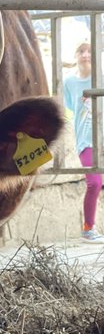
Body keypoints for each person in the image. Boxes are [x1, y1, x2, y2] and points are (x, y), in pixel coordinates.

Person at [63, 41, 104, 243]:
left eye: (90, 50)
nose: (86, 54)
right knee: (95, 183)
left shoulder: (102, 77)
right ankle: (88, 229)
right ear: (75, 55)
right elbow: (69, 108)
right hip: (86, 139)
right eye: (81, 51)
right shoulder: (69, 82)